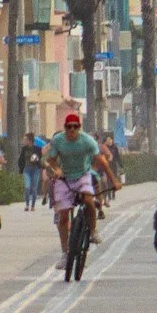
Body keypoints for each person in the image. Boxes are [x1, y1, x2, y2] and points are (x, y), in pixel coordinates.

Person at [46, 112, 103, 265]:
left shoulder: (87, 141)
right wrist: (57, 169)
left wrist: (115, 180)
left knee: (89, 199)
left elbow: (101, 159)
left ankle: (92, 230)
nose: (72, 130)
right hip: (64, 179)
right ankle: (65, 254)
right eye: (69, 127)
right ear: (64, 128)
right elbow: (50, 158)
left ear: (79, 128)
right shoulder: (58, 140)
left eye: (75, 127)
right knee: (63, 216)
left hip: (82, 176)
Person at [18, 131, 45, 211]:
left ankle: (33, 206)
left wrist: (35, 158)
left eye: (25, 139)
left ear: (30, 140)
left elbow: (40, 158)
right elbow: (21, 159)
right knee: (27, 187)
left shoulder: (38, 148)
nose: (24, 141)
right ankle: (27, 205)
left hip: (35, 169)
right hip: (27, 169)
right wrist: (21, 169)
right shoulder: (24, 149)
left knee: (34, 188)